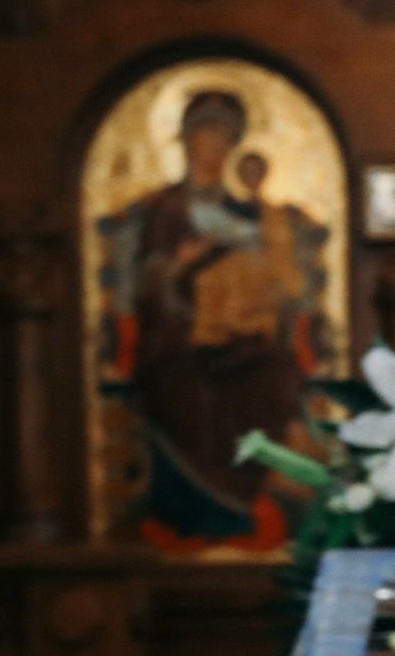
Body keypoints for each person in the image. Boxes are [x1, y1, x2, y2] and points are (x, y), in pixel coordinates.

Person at [114, 89, 333, 546]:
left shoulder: (252, 212)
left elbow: (285, 280)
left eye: (222, 142)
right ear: (186, 144)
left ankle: (247, 501)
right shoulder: (166, 208)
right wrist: (182, 266)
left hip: (240, 333)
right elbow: (146, 284)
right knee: (183, 392)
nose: (212, 151)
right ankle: (194, 514)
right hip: (176, 338)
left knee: (275, 372)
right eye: (203, 140)